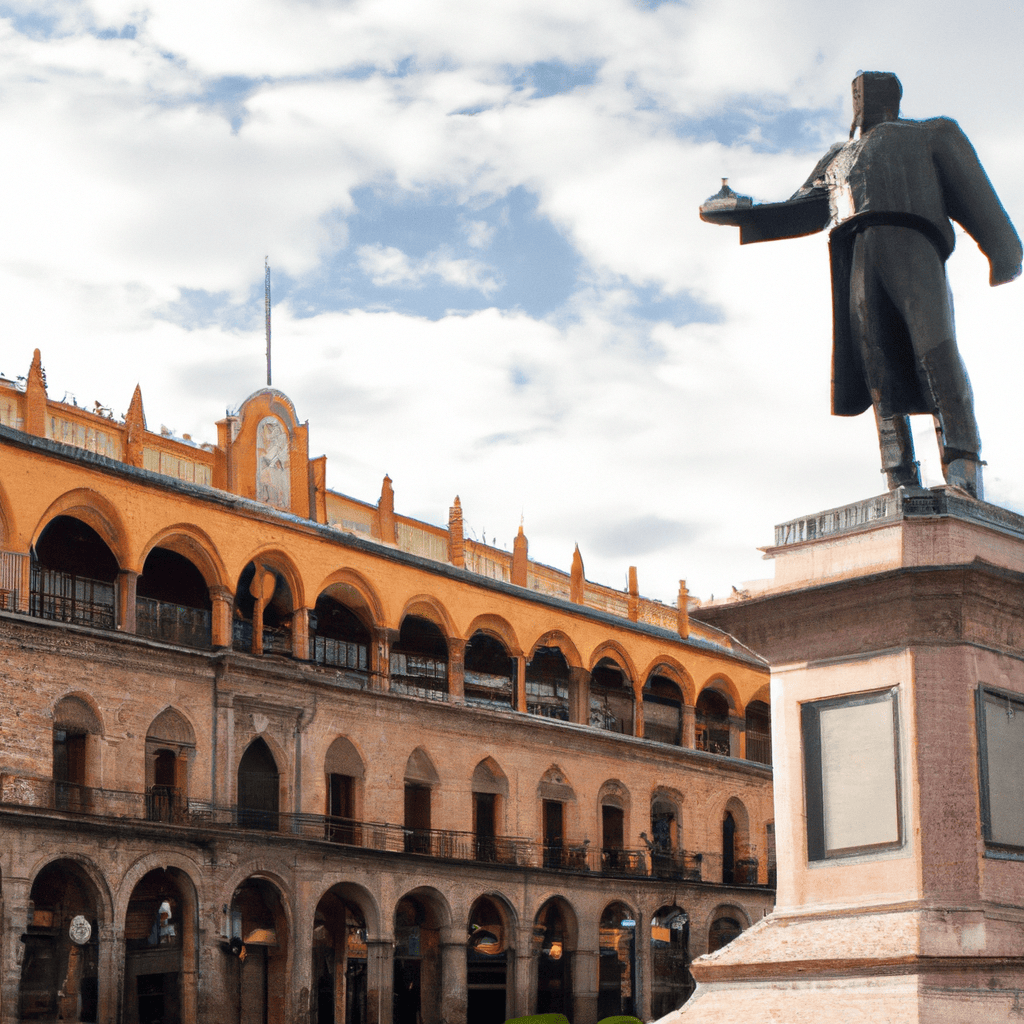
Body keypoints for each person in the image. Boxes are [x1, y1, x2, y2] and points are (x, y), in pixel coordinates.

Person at [700, 72, 1022, 499]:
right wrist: (742, 213)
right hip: (857, 251)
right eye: (856, 93)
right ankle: (899, 472)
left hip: (914, 242)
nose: (862, 98)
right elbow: (803, 208)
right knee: (876, 361)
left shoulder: (931, 132)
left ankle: (963, 464)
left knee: (935, 350)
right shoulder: (839, 156)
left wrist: (1003, 252)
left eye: (871, 91)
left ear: (894, 97)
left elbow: (973, 189)